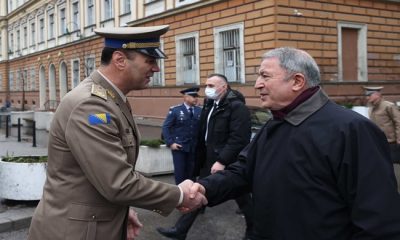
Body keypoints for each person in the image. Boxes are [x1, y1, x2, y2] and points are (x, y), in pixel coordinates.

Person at [189, 47, 400, 240]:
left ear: (297, 81)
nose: (257, 84)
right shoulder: (276, 123)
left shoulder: (353, 130)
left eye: (265, 76)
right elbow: (243, 171)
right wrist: (203, 189)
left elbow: (378, 221)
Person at [28, 25, 207, 240]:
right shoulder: (91, 106)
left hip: (92, 224)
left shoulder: (110, 98)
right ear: (120, 60)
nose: (156, 69)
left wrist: (121, 211)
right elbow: (117, 183)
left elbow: (101, 176)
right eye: (150, 61)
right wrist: (179, 195)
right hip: (76, 232)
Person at [157, 73, 254, 240]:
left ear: (223, 87)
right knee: (204, 191)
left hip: (225, 161)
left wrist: (222, 161)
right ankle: (181, 230)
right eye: (206, 85)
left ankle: (255, 230)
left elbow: (238, 139)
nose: (206, 90)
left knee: (239, 197)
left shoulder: (237, 107)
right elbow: (203, 133)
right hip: (208, 158)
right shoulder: (210, 104)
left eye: (211, 86)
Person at [162, 87, 202, 184]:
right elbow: (166, 127)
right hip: (180, 146)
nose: (196, 99)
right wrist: (170, 143)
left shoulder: (200, 110)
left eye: (196, 96)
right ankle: (180, 193)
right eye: (193, 96)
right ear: (185, 97)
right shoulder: (175, 110)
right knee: (180, 172)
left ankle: (191, 193)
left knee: (192, 172)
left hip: (194, 146)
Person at [364, 86, 400, 164]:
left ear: (377, 94)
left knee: (394, 165)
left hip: (391, 142)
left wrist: (399, 139)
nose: (367, 98)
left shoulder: (388, 106)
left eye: (369, 95)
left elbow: (398, 121)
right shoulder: (371, 107)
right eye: (366, 95)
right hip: (378, 142)